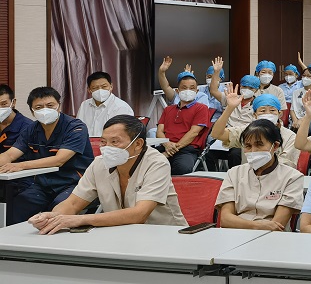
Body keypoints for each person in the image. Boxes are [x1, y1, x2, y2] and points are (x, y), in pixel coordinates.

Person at [27, 115, 187, 234]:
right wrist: (53, 217)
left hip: (165, 234)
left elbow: (139, 214)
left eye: (115, 142)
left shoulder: (157, 163)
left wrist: (79, 219)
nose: (107, 148)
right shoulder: (99, 163)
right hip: (120, 234)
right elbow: (73, 204)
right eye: (103, 142)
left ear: (138, 144)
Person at [0, 87, 94, 226]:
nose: (45, 110)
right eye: (39, 107)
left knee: (58, 210)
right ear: (32, 111)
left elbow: (59, 160)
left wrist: (20, 166)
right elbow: (9, 154)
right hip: (44, 185)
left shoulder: (75, 127)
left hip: (74, 183)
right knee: (17, 207)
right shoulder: (31, 129)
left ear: (59, 106)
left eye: (50, 105)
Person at [216, 119, 304, 231]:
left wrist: (241, 223)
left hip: (272, 238)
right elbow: (225, 219)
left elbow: (277, 225)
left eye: (259, 145)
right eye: (248, 146)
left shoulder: (292, 177)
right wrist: (258, 225)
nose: (253, 151)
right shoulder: (233, 173)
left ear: (275, 146)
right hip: (236, 235)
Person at [211, 90, 300, 168]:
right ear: (255, 115)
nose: (268, 113)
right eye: (263, 111)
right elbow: (217, 134)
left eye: (272, 110)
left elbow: (286, 165)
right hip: (248, 177)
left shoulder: (290, 137)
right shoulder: (246, 131)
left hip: (278, 179)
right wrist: (230, 108)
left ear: (279, 114)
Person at [155, 71, 211, 175]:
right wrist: (167, 145)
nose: (188, 91)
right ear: (177, 91)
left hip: (186, 149)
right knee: (144, 163)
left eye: (192, 88)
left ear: (197, 91)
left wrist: (169, 152)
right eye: (184, 88)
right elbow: (159, 131)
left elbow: (193, 133)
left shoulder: (201, 108)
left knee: (182, 168)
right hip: (165, 146)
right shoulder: (168, 109)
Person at [0, 84, 33, 202]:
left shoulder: (27, 127)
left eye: (3, 104)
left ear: (13, 102)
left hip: (20, 178)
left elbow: (11, 156)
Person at [77, 71, 134, 138]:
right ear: (89, 90)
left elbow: (123, 135)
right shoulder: (84, 105)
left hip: (110, 143)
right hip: (86, 142)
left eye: (104, 87)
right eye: (95, 88)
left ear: (111, 86)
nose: (100, 90)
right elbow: (78, 128)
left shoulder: (122, 107)